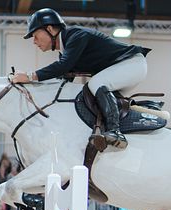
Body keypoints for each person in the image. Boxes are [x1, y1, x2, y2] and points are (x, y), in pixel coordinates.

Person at [11, 8, 150, 150]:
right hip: (125, 67)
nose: (34, 41)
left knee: (95, 84)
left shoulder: (76, 36)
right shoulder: (67, 50)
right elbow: (60, 85)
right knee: (89, 91)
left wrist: (30, 76)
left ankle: (115, 132)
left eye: (35, 35)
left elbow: (63, 66)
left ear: (50, 29)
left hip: (132, 64)